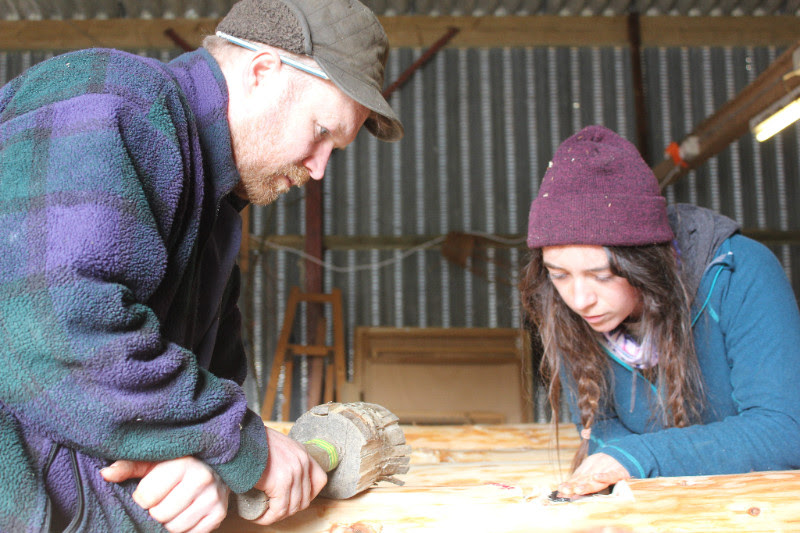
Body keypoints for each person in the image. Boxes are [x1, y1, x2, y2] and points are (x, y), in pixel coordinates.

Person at [0, 0, 402, 531]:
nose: (319, 167)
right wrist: (238, 443)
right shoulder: (113, 102)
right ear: (263, 72)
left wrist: (206, 465)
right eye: (322, 130)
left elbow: (196, 395)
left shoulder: (213, 212)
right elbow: (57, 332)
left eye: (336, 148)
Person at [519, 125, 800, 499]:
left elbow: (785, 429)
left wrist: (641, 456)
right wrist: (625, 457)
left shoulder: (740, 272)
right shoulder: (569, 308)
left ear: (645, 262)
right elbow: (601, 428)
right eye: (559, 274)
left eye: (602, 276)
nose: (580, 299)